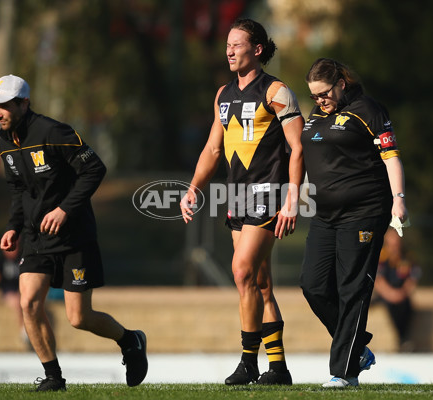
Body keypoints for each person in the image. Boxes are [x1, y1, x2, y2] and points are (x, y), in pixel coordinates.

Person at [0, 75, 147, 391]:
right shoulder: (5, 142)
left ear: (24, 103)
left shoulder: (53, 132)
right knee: (28, 303)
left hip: (74, 237)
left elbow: (94, 169)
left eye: (3, 106)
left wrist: (64, 210)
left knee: (78, 317)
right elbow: (18, 189)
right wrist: (13, 227)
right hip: (35, 237)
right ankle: (54, 377)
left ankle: (131, 341)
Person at [180, 19, 304, 385]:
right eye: (227, 45)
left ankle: (248, 362)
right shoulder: (223, 94)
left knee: (242, 271)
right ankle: (278, 368)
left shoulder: (277, 91)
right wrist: (194, 188)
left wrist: (293, 199)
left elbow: (298, 148)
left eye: (238, 44)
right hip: (237, 196)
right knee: (260, 284)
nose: (230, 50)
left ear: (258, 49)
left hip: (269, 195)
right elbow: (213, 149)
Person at [299, 58, 408, 388]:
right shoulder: (317, 114)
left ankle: (344, 372)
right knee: (313, 285)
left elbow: (391, 156)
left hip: (364, 211)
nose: (320, 101)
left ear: (341, 84)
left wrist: (399, 199)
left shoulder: (368, 109)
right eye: (314, 96)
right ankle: (357, 347)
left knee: (352, 288)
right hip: (324, 215)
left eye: (324, 94)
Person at [373, 228, 420, 352]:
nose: (395, 242)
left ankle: (405, 339)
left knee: (407, 307)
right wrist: (391, 294)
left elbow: (412, 279)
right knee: (392, 306)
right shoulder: (381, 256)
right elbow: (378, 281)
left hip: (401, 294)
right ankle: (401, 338)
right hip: (385, 295)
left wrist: (402, 293)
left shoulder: (406, 257)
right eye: (392, 238)